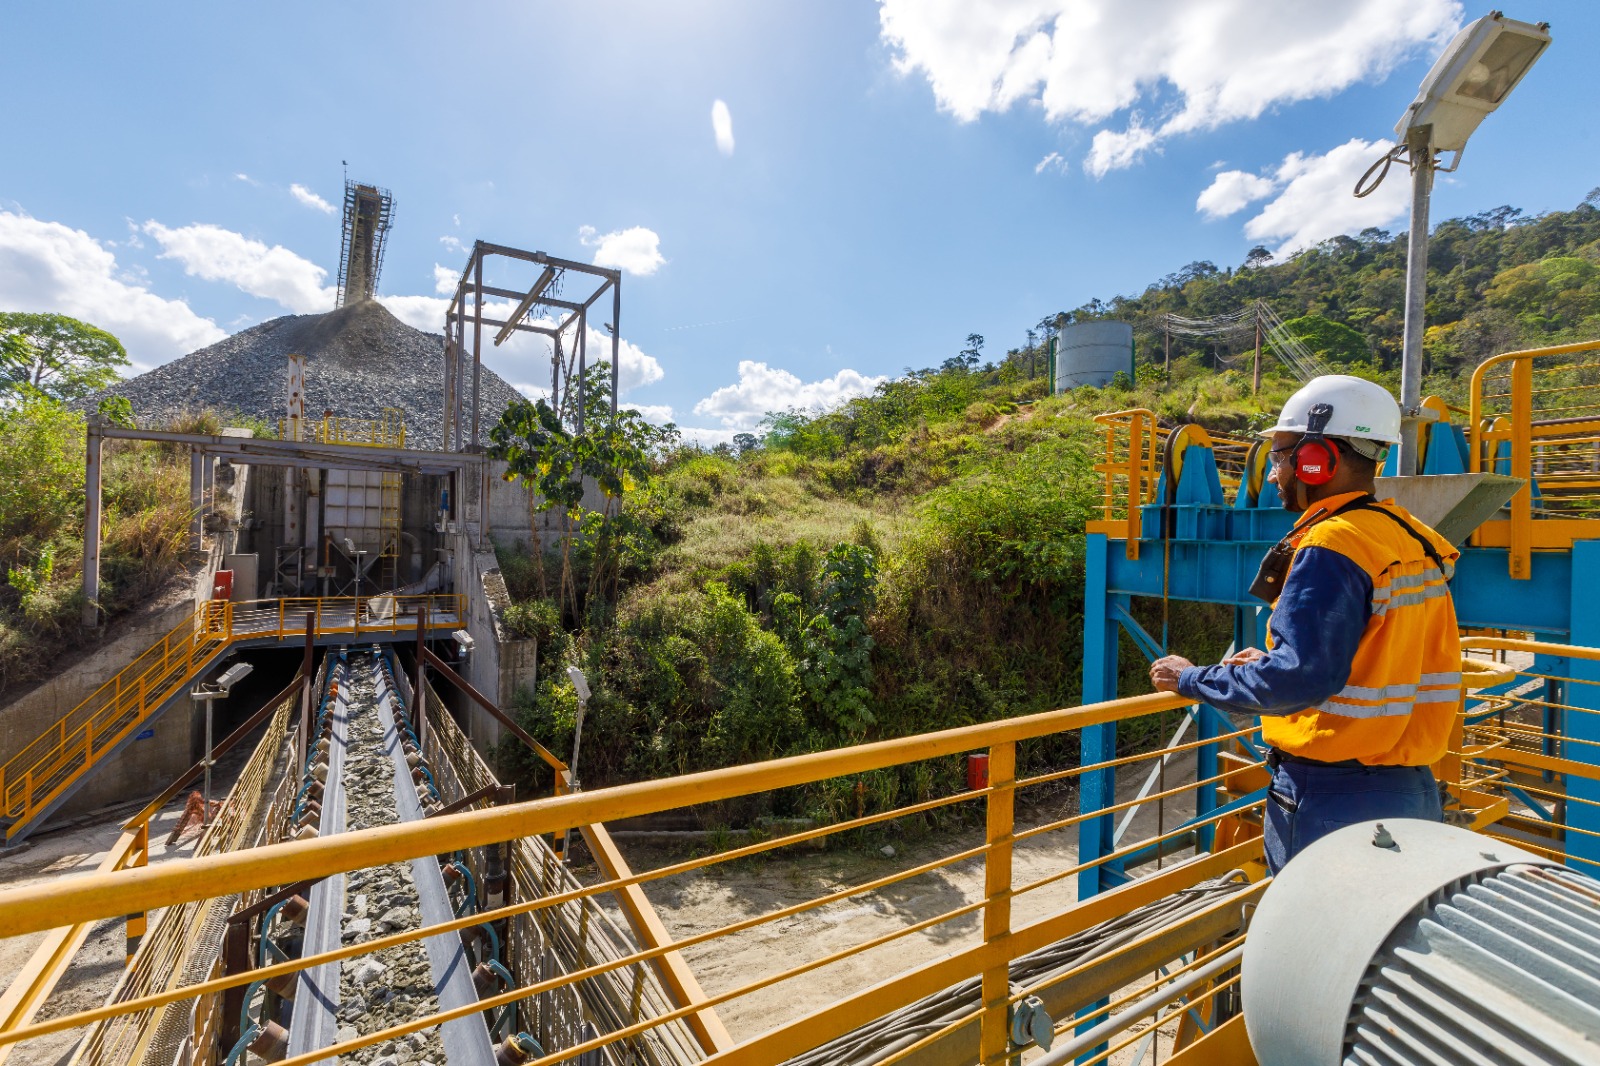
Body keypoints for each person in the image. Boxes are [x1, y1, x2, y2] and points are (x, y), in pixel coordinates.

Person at [1149, 375, 1461, 874]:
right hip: (1409, 787)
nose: (1274, 474)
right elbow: (1375, 650)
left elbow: (1301, 679)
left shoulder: (1334, 544)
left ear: (1317, 460)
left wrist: (1190, 678)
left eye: (1280, 456)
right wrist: (1276, 662)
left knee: (1316, 943)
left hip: (1335, 799)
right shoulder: (1408, 537)